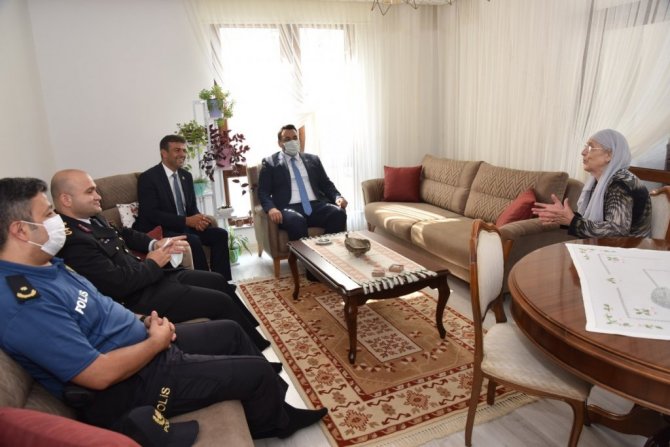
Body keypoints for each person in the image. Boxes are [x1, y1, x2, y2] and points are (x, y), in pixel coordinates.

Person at [0, 177, 327, 439]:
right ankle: (275, 424)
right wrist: (155, 343)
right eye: (48, 214)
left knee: (230, 331)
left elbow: (103, 305)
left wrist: (144, 320)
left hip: (144, 342)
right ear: (20, 230)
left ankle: (275, 406)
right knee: (255, 372)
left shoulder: (48, 265)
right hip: (132, 383)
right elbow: (97, 375)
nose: (57, 220)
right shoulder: (25, 303)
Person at [50, 169, 270, 351]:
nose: (98, 196)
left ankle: (256, 340)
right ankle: (257, 360)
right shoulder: (73, 241)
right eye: (90, 191)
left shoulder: (93, 218)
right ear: (66, 199)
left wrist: (154, 244)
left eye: (96, 190)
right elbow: (117, 284)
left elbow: (125, 234)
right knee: (219, 301)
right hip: (138, 298)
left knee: (217, 280)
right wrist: (153, 262)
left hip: (150, 279)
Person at [134, 135, 232, 282]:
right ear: (164, 153)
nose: (182, 154)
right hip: (162, 230)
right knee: (193, 240)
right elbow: (152, 214)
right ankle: (207, 284)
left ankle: (223, 282)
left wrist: (199, 220)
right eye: (177, 150)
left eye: (184, 150)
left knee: (220, 234)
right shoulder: (148, 178)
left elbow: (191, 208)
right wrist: (186, 221)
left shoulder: (186, 176)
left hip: (184, 227)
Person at [532, 129, 652, 238]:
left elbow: (617, 230)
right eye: (586, 147)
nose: (583, 152)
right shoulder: (601, 180)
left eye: (590, 147)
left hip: (630, 251)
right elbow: (598, 222)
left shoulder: (621, 183)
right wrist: (563, 216)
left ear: (609, 155)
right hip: (610, 249)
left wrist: (573, 221)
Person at [257, 124, 348, 241]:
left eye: (295, 138)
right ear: (280, 143)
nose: (292, 142)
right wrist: (271, 208)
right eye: (287, 139)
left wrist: (337, 197)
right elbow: (263, 192)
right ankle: (303, 253)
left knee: (338, 213)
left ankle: (324, 247)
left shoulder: (313, 159)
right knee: (297, 221)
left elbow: (326, 184)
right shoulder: (270, 163)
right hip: (288, 208)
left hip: (315, 205)